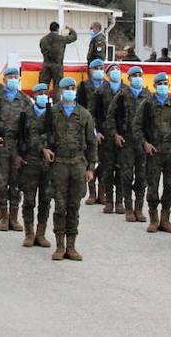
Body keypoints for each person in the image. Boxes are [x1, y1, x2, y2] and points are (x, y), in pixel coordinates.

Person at [43, 77, 97, 261]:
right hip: (59, 164)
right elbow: (43, 134)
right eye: (67, 88)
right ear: (61, 90)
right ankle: (59, 246)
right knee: (59, 206)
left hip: (77, 164)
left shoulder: (84, 114)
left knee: (74, 206)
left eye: (73, 88)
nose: (71, 90)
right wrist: (44, 148)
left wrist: (91, 168)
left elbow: (91, 143)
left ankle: (71, 246)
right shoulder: (53, 113)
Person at [140, 71, 171, 234]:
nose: (163, 87)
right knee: (152, 185)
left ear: (169, 86)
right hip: (153, 153)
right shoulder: (147, 104)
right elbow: (137, 127)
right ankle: (153, 218)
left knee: (169, 186)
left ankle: (165, 219)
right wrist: (145, 143)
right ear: (154, 86)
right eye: (160, 84)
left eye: (165, 84)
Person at [0, 65, 30, 232]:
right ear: (4, 80)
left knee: (16, 183)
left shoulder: (25, 100)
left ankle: (14, 217)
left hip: (18, 147)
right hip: (1, 145)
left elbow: (30, 124)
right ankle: (3, 217)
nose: (13, 80)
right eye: (10, 77)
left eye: (16, 77)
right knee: (1, 182)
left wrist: (25, 148)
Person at [109, 65, 150, 224]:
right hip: (126, 141)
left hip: (143, 142)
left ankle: (139, 208)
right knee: (126, 175)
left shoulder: (148, 96)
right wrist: (115, 134)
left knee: (141, 176)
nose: (138, 78)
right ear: (129, 78)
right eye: (135, 75)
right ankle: (128, 207)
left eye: (140, 75)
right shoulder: (121, 96)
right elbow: (111, 116)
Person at [15, 82, 54, 249]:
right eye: (40, 93)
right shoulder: (25, 115)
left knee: (45, 200)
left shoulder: (54, 115)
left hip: (49, 165)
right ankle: (29, 233)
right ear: (34, 96)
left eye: (46, 92)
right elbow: (20, 136)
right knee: (29, 200)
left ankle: (41, 233)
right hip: (30, 162)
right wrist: (16, 155)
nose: (43, 95)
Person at [93, 62, 123, 215]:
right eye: (112, 70)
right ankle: (109, 201)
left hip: (123, 137)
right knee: (107, 169)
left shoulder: (126, 91)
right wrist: (97, 131)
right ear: (107, 74)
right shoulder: (100, 91)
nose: (116, 71)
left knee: (122, 170)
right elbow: (95, 114)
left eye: (118, 69)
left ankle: (120, 202)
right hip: (105, 136)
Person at [76, 58, 105, 206]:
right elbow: (80, 107)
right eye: (96, 68)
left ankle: (102, 193)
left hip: (105, 130)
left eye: (101, 68)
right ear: (90, 71)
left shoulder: (108, 86)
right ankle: (92, 192)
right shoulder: (84, 86)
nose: (99, 70)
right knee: (91, 159)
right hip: (88, 127)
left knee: (105, 162)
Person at [38, 22, 77, 94]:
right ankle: (56, 104)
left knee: (43, 87)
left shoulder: (43, 40)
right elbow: (74, 37)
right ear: (57, 29)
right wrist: (70, 29)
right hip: (58, 67)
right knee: (57, 88)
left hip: (46, 66)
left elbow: (42, 49)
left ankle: (46, 104)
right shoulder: (61, 39)